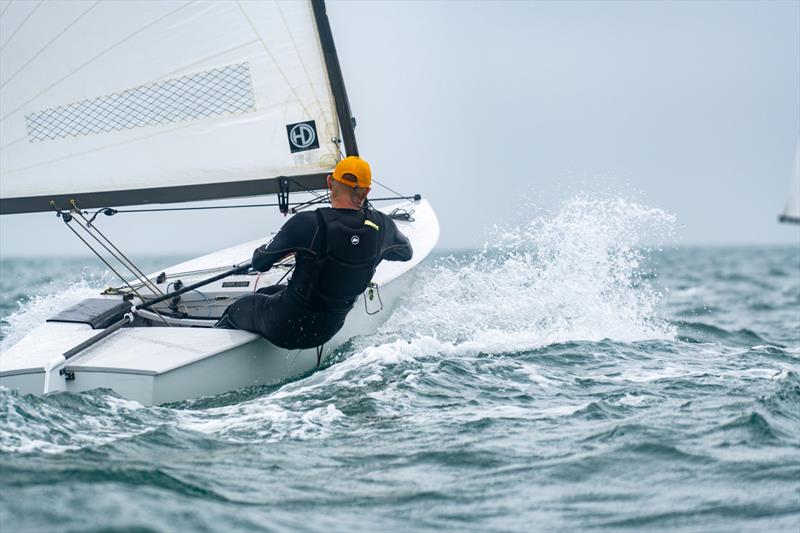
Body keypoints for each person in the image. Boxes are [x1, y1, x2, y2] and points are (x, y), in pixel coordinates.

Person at [216, 156, 413, 350]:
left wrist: (287, 246)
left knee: (238, 308)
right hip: (327, 330)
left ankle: (217, 350)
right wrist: (365, 252)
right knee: (266, 293)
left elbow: (260, 262)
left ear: (329, 182)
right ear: (367, 191)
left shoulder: (308, 223)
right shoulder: (382, 225)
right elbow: (405, 253)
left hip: (285, 327)